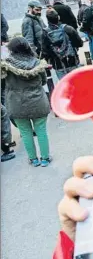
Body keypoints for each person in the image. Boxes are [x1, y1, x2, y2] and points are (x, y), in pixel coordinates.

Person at [0, 37, 51, 167]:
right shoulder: (37, 63)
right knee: (41, 130)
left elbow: (2, 84)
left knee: (25, 132)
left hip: (16, 104)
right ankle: (45, 158)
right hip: (38, 101)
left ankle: (33, 160)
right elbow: (44, 81)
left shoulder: (6, 66)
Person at [42, 9, 83, 79]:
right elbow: (80, 43)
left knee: (65, 86)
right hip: (72, 61)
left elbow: (45, 51)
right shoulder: (68, 29)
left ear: (47, 20)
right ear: (58, 17)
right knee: (77, 84)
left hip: (58, 64)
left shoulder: (45, 33)